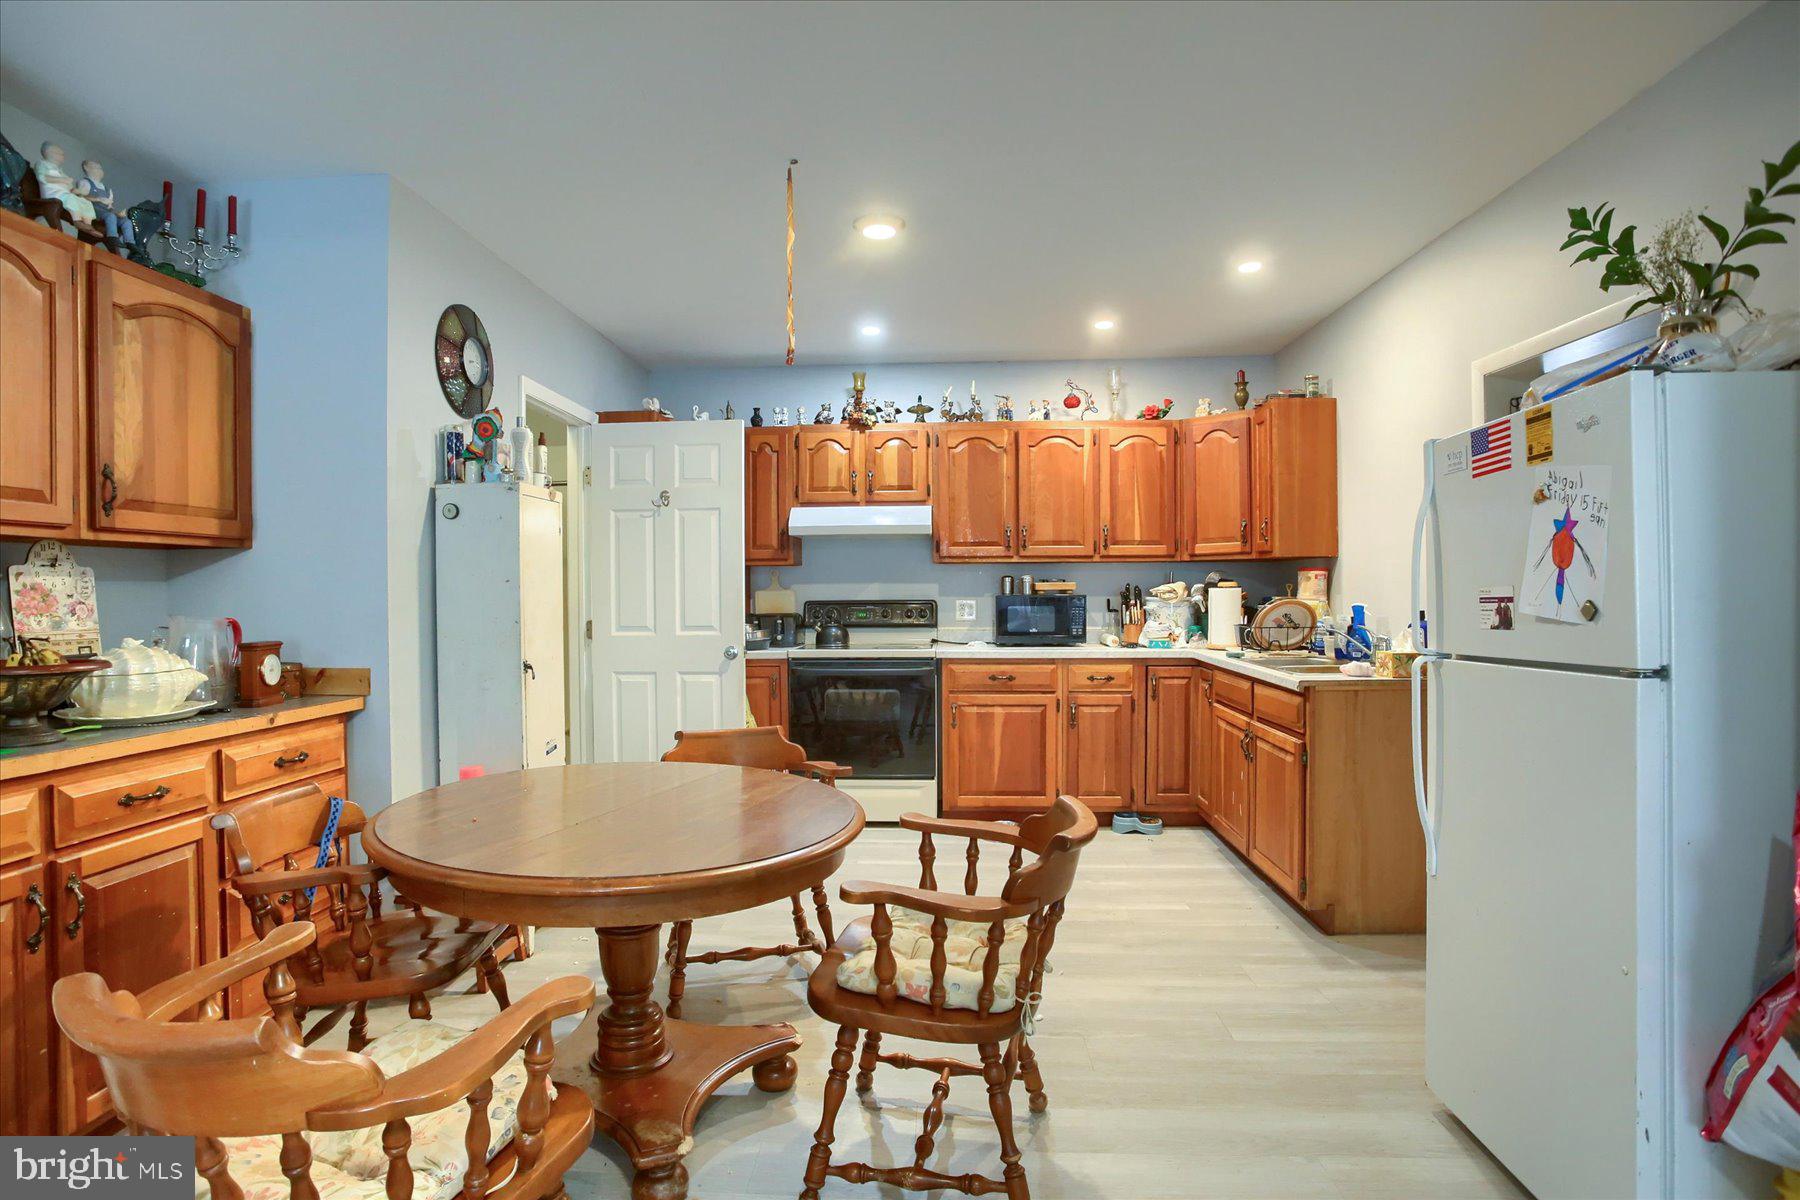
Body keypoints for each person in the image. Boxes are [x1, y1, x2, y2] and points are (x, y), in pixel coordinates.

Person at [34, 142, 98, 230]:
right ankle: (77, 221)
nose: (63, 156)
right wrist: (62, 180)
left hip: (64, 194)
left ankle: (88, 224)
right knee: (71, 198)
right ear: (49, 152)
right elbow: (41, 177)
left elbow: (69, 188)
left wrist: (77, 191)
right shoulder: (42, 164)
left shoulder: (60, 171)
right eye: (60, 153)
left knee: (85, 202)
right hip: (52, 194)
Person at [75, 159, 136, 248]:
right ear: (86, 168)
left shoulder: (107, 189)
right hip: (92, 209)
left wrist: (118, 214)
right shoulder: (85, 183)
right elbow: (80, 197)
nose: (99, 170)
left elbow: (109, 207)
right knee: (110, 216)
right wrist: (98, 199)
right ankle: (112, 237)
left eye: (100, 168)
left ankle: (130, 242)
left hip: (106, 212)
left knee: (126, 221)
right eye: (96, 167)